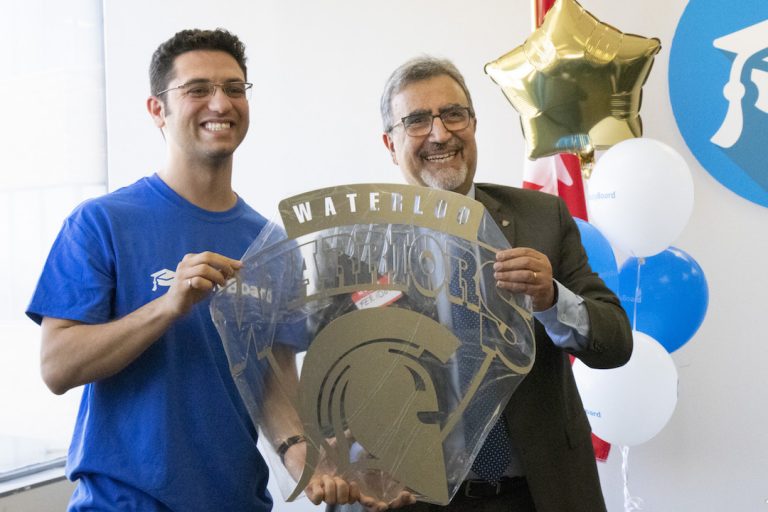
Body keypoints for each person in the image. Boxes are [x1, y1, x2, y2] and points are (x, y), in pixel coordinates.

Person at [26, 28, 363, 511]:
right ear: (156, 109)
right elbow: (57, 366)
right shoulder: (100, 223)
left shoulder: (271, 244)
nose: (220, 103)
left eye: (234, 88)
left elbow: (274, 382)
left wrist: (302, 460)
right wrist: (168, 306)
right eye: (198, 89)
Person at [330, 56, 633, 512]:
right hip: (413, 496)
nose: (440, 133)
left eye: (454, 114)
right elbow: (336, 386)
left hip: (537, 493)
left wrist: (552, 299)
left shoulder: (540, 218)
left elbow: (615, 343)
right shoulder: (355, 248)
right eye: (416, 121)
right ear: (390, 144)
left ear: (473, 125)